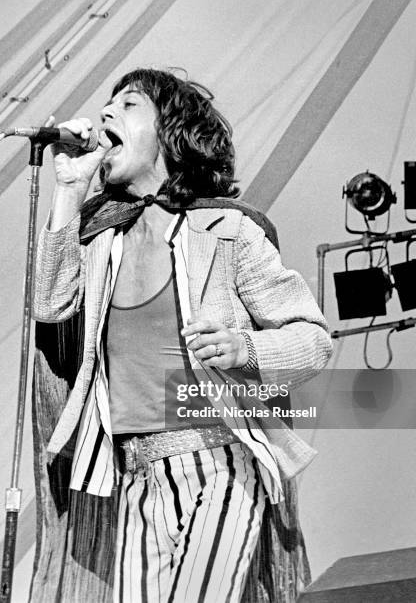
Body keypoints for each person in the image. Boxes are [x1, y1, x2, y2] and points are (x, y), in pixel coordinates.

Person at [32, 68, 332, 603]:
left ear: (170, 132)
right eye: (107, 106)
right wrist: (69, 191)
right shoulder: (102, 239)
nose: (105, 115)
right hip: (133, 477)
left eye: (127, 105)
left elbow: (313, 339)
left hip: (219, 462)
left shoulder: (228, 231)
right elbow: (50, 303)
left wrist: (247, 349)